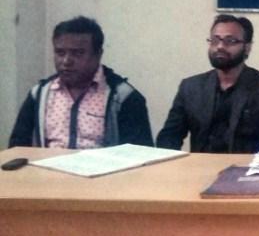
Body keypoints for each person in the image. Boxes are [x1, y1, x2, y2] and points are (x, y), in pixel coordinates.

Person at [9, 16, 153, 148]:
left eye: (77, 53)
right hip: (46, 168)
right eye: (60, 53)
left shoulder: (124, 97)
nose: (66, 61)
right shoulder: (39, 95)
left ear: (98, 54)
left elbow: (140, 156)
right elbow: (17, 147)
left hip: (102, 168)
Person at [156, 14, 259, 153]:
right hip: (200, 165)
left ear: (247, 47)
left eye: (230, 41)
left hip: (248, 165)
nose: (220, 46)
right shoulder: (191, 87)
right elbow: (169, 137)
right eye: (215, 40)